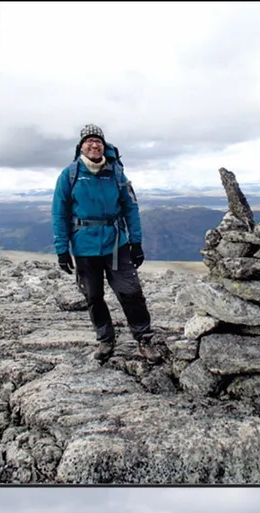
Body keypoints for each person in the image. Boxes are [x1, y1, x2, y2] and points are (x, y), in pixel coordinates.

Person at [52, 123, 163, 363]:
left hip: (116, 244)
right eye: (89, 141)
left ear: (104, 146)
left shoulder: (116, 173)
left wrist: (136, 242)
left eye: (98, 141)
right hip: (84, 246)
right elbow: (59, 213)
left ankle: (144, 338)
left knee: (131, 292)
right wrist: (62, 250)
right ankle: (105, 339)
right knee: (93, 296)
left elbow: (130, 208)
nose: (94, 144)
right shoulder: (69, 175)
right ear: (81, 147)